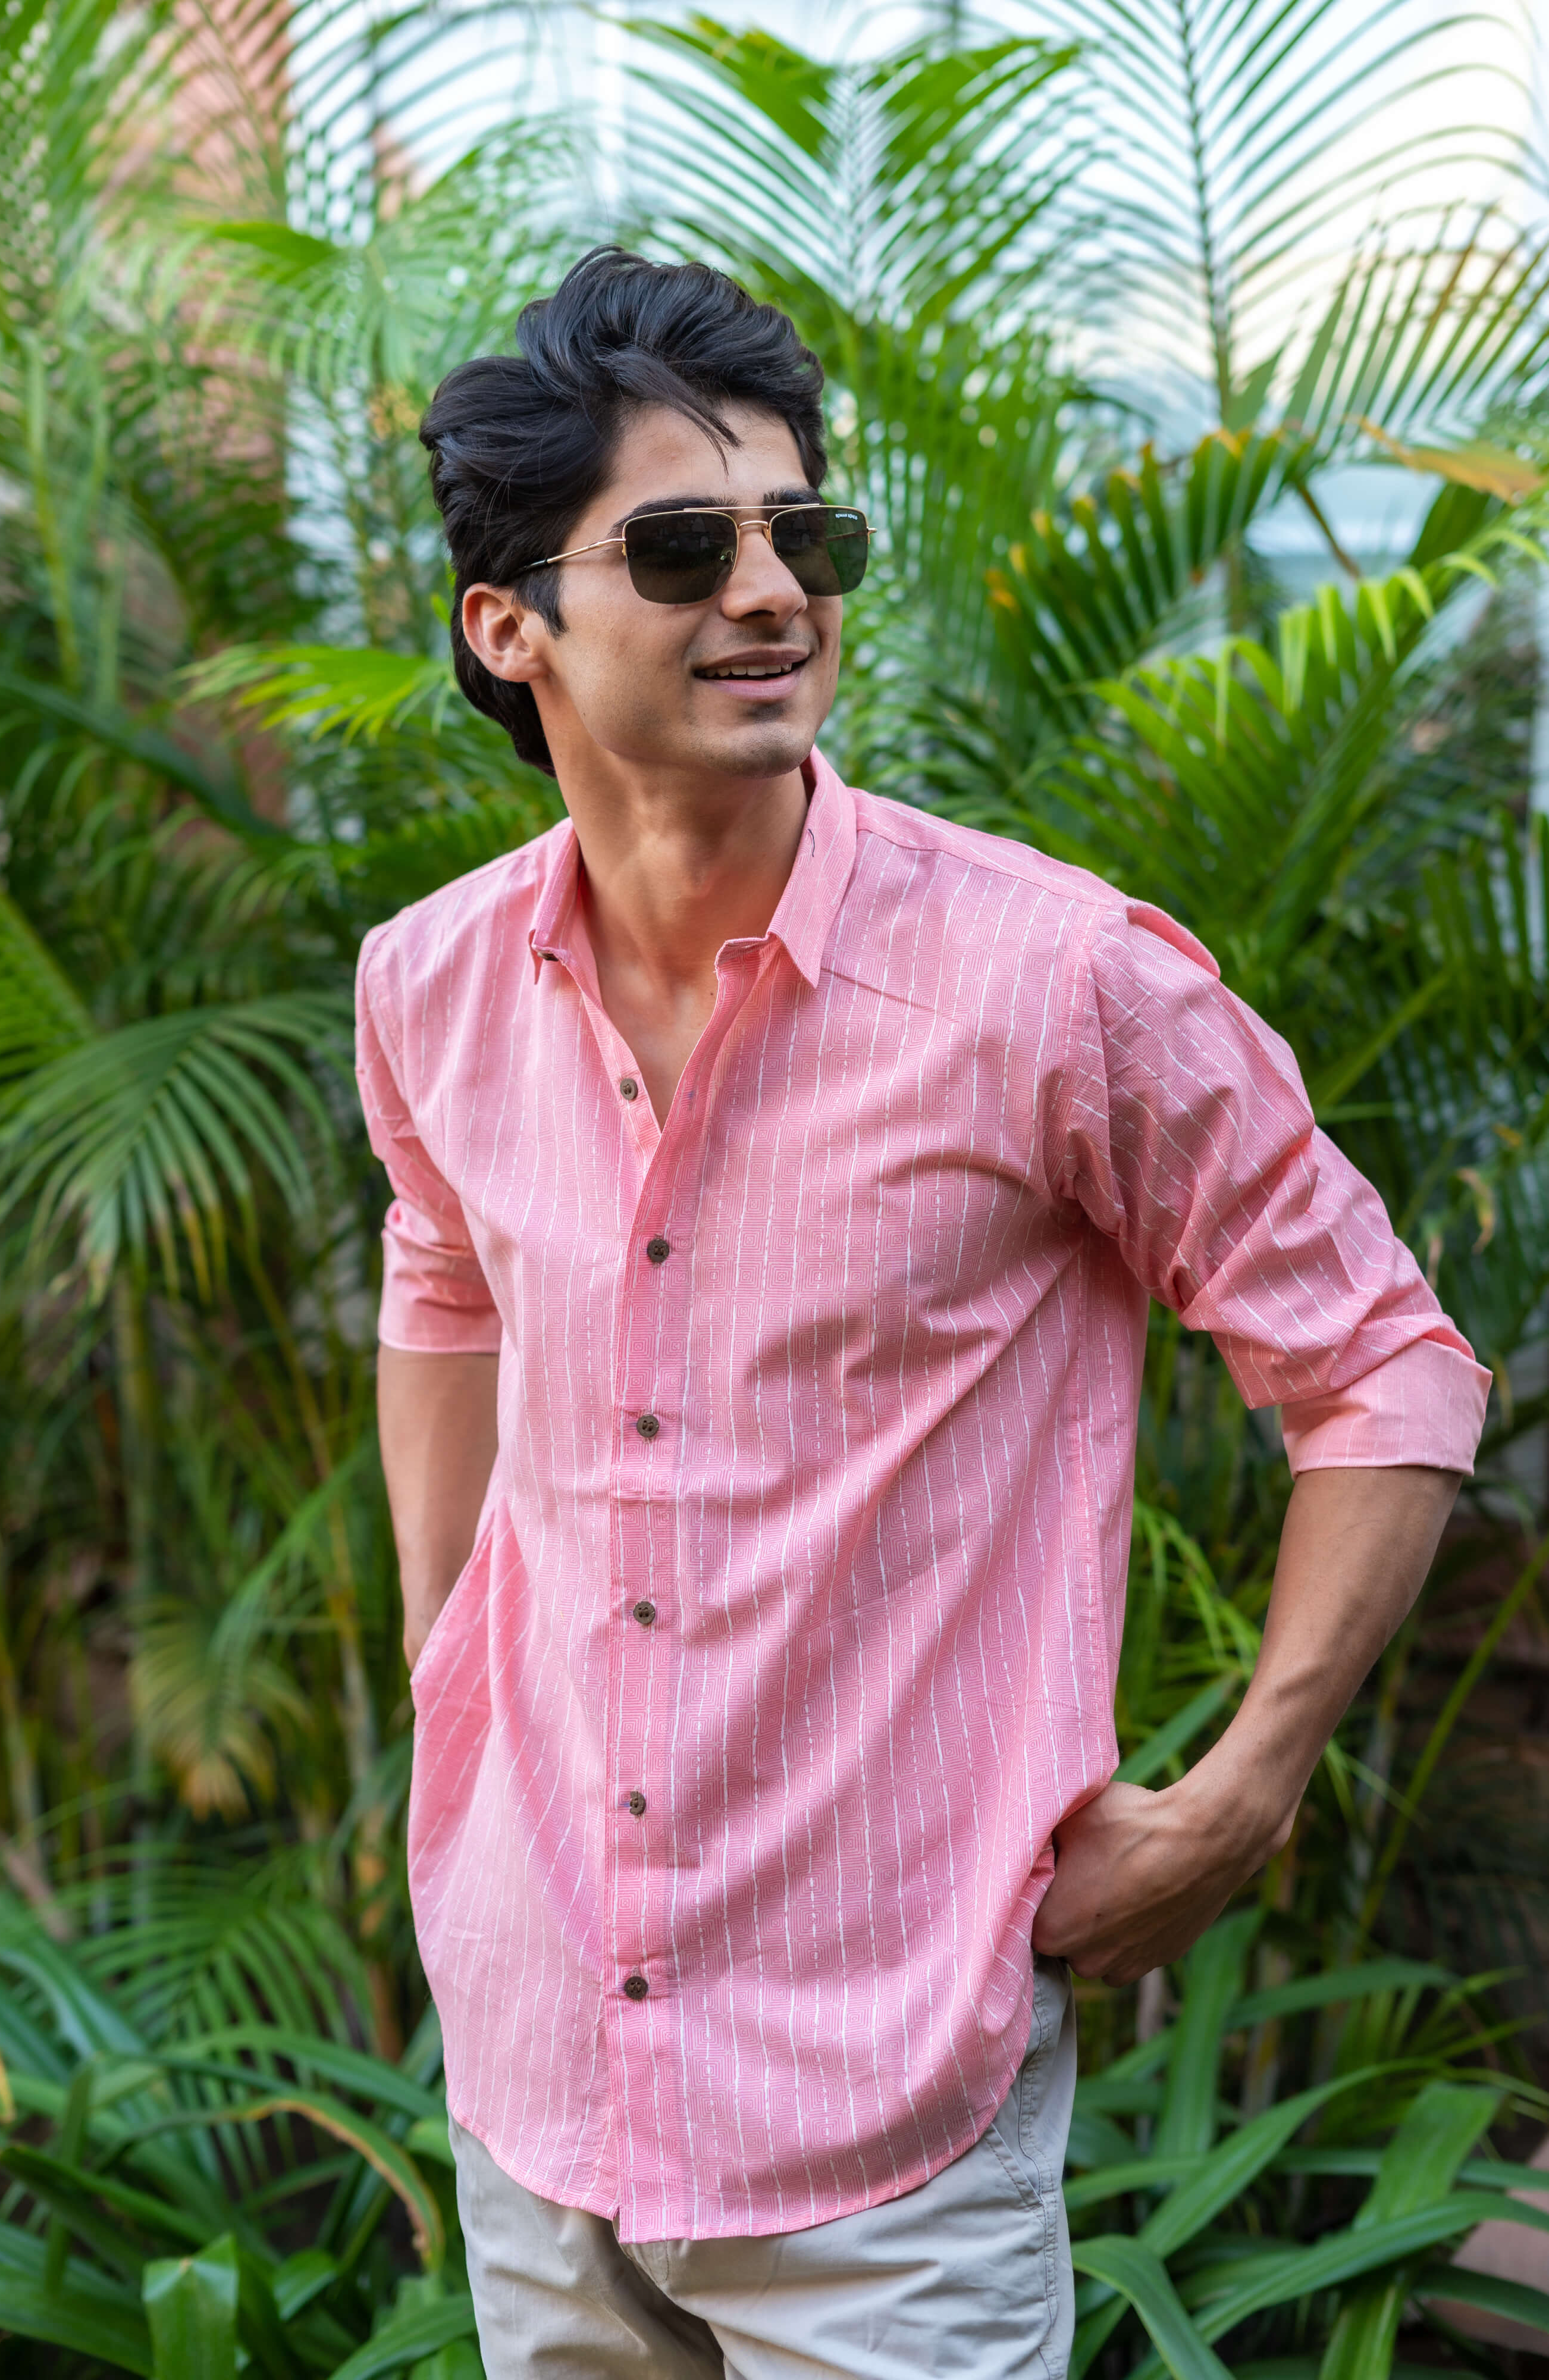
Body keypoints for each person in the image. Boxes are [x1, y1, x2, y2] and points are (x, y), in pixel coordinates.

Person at [355, 248, 1488, 2380]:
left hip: (887, 2116)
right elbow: (441, 1280)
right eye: (681, 549)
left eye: (806, 535)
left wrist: (1242, 1790)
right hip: (537, 2060)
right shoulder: (426, 985)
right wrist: (449, 1671)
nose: (769, 592)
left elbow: (1378, 1364)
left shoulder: (1056, 984)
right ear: (508, 627)